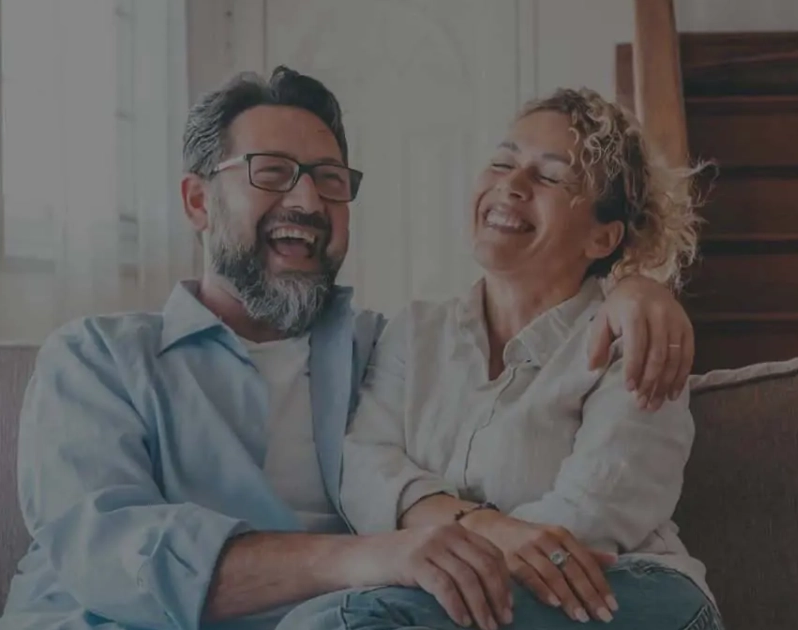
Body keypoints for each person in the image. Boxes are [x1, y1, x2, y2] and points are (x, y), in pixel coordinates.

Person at [0, 67, 697, 630]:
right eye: (270, 172)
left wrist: (638, 290)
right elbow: (113, 557)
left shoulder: (371, 349)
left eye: (329, 180)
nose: (306, 200)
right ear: (199, 203)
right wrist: (372, 558)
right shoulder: (95, 360)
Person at [282, 88, 721, 630]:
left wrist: (446, 539)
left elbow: (587, 520)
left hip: (624, 594)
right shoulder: (416, 332)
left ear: (602, 236)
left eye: (550, 176)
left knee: (337, 623)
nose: (511, 186)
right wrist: (490, 531)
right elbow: (368, 472)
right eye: (502, 162)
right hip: (470, 597)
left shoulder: (635, 337)